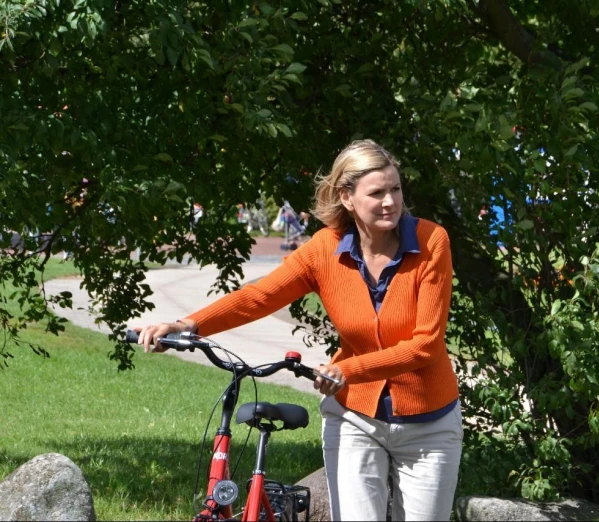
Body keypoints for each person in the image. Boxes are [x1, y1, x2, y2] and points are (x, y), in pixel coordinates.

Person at [134, 139, 462, 521]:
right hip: (354, 415)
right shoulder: (325, 249)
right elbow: (260, 296)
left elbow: (424, 345)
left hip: (429, 424)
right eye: (377, 193)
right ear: (347, 197)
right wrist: (188, 324)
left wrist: (347, 371)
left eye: (396, 189)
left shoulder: (430, 241)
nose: (391, 201)